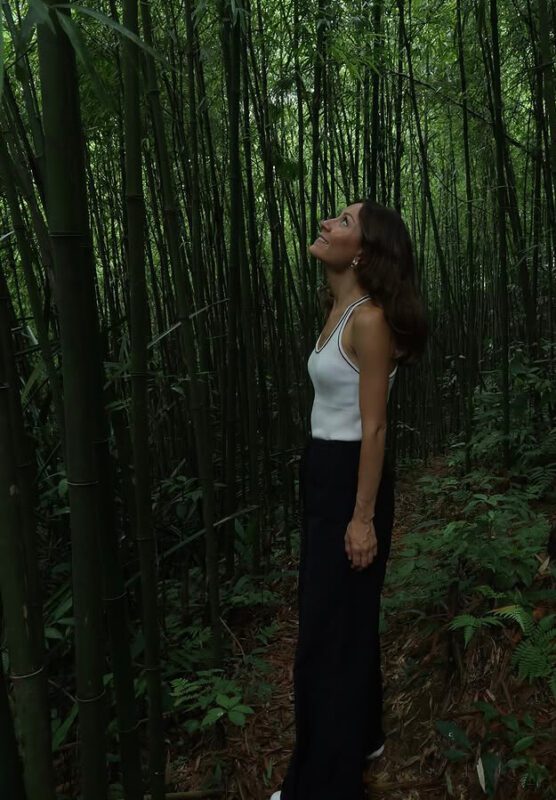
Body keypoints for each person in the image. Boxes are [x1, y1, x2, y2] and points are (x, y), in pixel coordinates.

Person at [270, 198, 428, 800]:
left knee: (325, 635)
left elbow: (375, 427)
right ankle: (364, 737)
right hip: (324, 471)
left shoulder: (369, 318)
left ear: (361, 250)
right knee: (342, 621)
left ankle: (322, 782)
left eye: (343, 221)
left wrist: (362, 518)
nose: (327, 223)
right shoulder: (337, 306)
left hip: (350, 480)